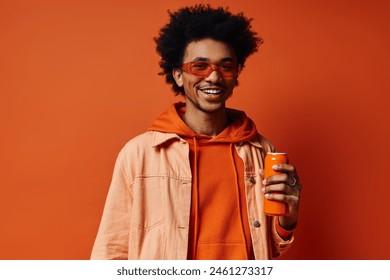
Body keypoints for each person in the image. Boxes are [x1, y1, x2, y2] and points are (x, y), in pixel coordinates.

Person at [91, 4, 302, 260]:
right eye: (200, 66)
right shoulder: (140, 154)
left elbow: (269, 248)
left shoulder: (262, 151)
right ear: (178, 76)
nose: (213, 77)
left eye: (225, 67)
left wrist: (287, 220)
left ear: (236, 75)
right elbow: (111, 250)